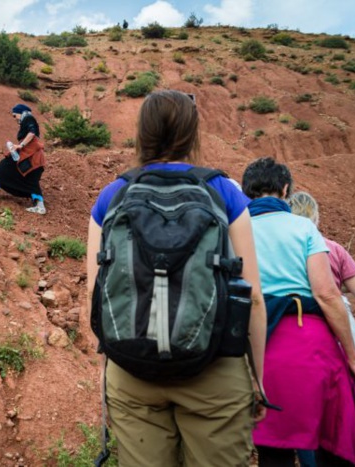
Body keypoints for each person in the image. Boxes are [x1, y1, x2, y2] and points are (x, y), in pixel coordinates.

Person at [87, 90, 267, 466]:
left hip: (132, 369)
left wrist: (111, 363)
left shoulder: (112, 196)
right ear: (193, 133)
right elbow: (252, 298)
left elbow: (96, 292)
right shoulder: (224, 193)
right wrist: (257, 379)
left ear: (141, 132)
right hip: (215, 370)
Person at [242, 158, 355, 466]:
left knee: (274, 450)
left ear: (248, 191)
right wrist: (354, 359)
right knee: (331, 441)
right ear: (285, 189)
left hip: (257, 349)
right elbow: (327, 294)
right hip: (308, 342)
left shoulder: (236, 230)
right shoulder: (303, 228)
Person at [289, 191, 355, 372]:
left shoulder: (282, 248)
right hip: (331, 322)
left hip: (289, 317)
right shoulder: (334, 249)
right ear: (316, 218)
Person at [0, 103, 47, 214]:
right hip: (29, 156)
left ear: (21, 113)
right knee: (7, 166)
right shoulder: (27, 120)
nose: (14, 118)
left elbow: (32, 133)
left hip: (32, 157)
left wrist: (21, 145)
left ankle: (40, 206)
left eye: (15, 115)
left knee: (9, 167)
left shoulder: (28, 118)